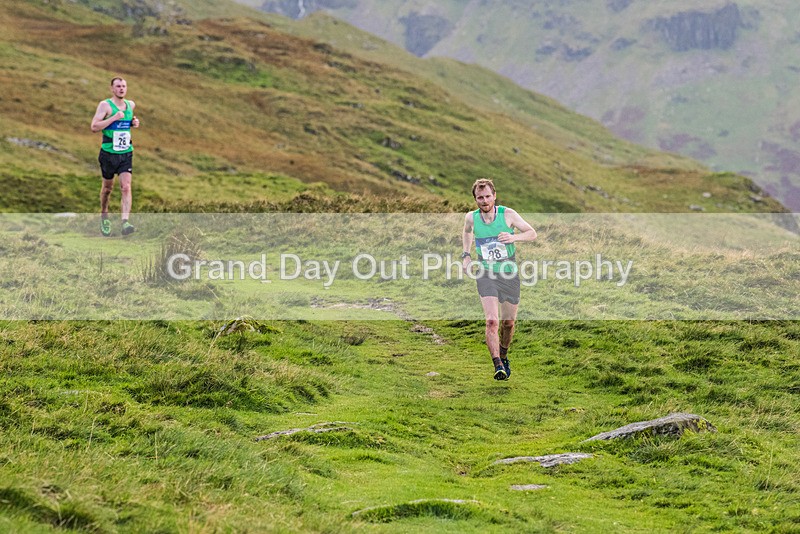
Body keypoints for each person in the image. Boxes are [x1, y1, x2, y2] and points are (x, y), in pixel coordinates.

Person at [462, 178, 537, 380]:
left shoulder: (508, 215)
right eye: (480, 198)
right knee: (492, 321)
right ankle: (497, 366)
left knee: (508, 324)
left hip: (508, 272)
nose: (485, 201)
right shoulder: (471, 217)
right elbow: (467, 232)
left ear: (494, 196)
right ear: (475, 199)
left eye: (488, 196)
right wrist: (466, 255)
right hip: (486, 273)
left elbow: (532, 233)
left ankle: (503, 355)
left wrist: (514, 238)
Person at [90, 77, 140, 236]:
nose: (121, 89)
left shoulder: (130, 105)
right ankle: (104, 214)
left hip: (126, 152)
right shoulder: (105, 105)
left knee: (126, 187)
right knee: (107, 188)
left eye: (124, 86)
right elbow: (94, 127)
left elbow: (128, 121)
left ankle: (125, 222)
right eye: (118, 86)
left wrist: (134, 122)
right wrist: (113, 118)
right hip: (108, 153)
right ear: (112, 89)